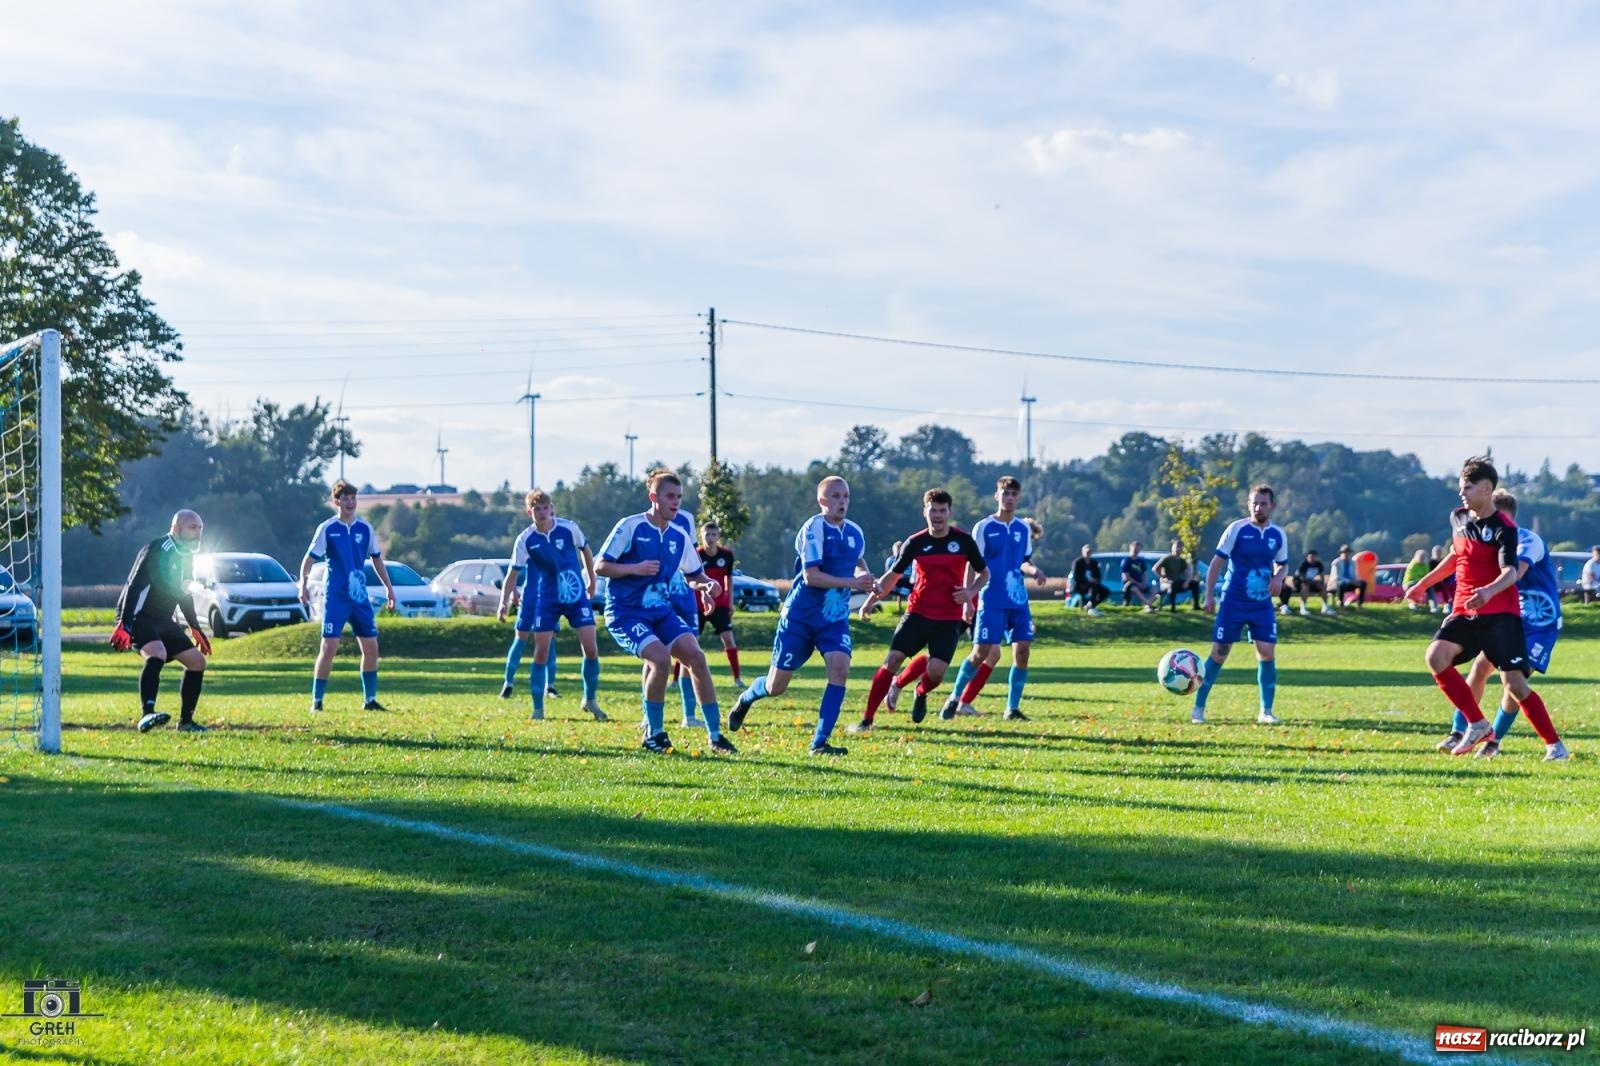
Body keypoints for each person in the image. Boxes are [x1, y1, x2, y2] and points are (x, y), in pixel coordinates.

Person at [1405, 461, 1568, 760]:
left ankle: (1553, 745)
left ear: (1487, 491)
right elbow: (1456, 557)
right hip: (1470, 610)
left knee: (1514, 684)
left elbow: (1512, 572)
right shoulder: (1459, 520)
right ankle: (1473, 726)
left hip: (1516, 617)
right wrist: (1422, 584)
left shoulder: (1512, 533)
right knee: (1442, 658)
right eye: (1461, 487)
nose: (1462, 493)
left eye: (1468, 487)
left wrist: (1489, 590)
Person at [727, 476, 876, 754]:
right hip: (800, 617)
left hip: (833, 618)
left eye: (845, 496)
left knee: (840, 669)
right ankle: (747, 697)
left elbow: (857, 562)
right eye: (834, 496)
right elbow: (811, 577)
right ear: (822, 501)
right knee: (776, 685)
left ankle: (819, 743)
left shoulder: (855, 532)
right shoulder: (814, 528)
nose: (841, 501)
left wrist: (865, 577)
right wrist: (853, 584)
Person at [595, 469, 733, 754]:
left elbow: (694, 574)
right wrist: (634, 568)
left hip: (660, 611)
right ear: (654, 497)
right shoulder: (631, 526)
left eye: (680, 497)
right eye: (670, 496)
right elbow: (601, 566)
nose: (676, 502)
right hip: (626, 613)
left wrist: (707, 587)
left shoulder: (680, 535)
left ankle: (716, 735)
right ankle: (654, 733)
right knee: (660, 659)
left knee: (696, 656)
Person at [847, 488, 987, 733]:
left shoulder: (963, 541)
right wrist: (870, 601)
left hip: (948, 618)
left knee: (936, 673)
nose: (938, 515)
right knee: (892, 660)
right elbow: (893, 575)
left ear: (949, 512)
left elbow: (984, 573)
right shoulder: (916, 542)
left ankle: (920, 691)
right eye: (933, 510)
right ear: (925, 512)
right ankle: (867, 720)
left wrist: (970, 593)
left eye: (942, 511)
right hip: (917, 613)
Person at [1440, 490, 1564, 759]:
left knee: (1513, 682)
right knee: (1480, 667)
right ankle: (1459, 732)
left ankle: (1499, 740)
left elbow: (1515, 573)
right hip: (1507, 616)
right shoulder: (1482, 535)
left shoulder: (1527, 541)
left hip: (1539, 624)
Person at [494, 490, 607, 722]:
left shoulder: (568, 528)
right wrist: (503, 603)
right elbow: (512, 573)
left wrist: (592, 581)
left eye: (546, 508)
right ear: (529, 512)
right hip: (547, 599)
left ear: (551, 508)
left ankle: (590, 699)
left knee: (591, 648)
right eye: (537, 509)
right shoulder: (525, 540)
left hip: (575, 594)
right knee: (541, 651)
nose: (543, 513)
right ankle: (538, 709)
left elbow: (585, 549)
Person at [942, 476, 1047, 721]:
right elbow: (973, 563)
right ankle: (955, 698)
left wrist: (1034, 571)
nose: (1009, 498)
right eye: (1005, 493)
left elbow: (1024, 561)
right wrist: (969, 597)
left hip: (1018, 600)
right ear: (996, 495)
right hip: (991, 599)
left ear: (1018, 498)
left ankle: (1011, 708)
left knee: (1022, 652)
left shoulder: (1022, 528)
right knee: (981, 653)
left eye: (1013, 494)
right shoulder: (984, 527)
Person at [1192, 485, 1288, 725]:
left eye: (1263, 503)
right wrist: (1209, 596)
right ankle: (1198, 709)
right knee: (1219, 653)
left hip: (1261, 605)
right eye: (1254, 503)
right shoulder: (1237, 529)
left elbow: (1283, 564)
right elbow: (1216, 564)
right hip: (1233, 601)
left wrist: (1278, 577)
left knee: (1266, 652)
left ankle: (1266, 711)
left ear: (1272, 506)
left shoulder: (1278, 534)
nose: (1258, 507)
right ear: (1248, 505)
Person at [111, 509, 212, 733]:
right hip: (139, 616)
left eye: (200, 528)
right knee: (158, 653)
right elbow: (134, 586)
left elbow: (183, 593)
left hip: (163, 619)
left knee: (197, 662)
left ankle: (186, 722)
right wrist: (125, 624)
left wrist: (195, 627)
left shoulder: (187, 555)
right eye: (192, 528)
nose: (198, 533)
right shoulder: (157, 549)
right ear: (176, 529)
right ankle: (147, 715)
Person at [299, 480, 396, 713]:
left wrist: (389, 589)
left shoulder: (365, 529)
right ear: (337, 502)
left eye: (353, 498)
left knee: (371, 648)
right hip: (336, 597)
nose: (350, 503)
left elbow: (376, 559)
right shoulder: (328, 528)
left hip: (359, 597)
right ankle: (317, 701)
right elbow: (309, 559)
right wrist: (302, 586)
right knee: (329, 647)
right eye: (345, 499)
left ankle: (370, 700)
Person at [697, 522, 744, 688]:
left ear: (718, 536)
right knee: (688, 643)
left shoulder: (727, 555)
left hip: (720, 605)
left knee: (729, 640)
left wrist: (730, 602)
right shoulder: (696, 555)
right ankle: (675, 681)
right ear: (701, 536)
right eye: (707, 535)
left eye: (713, 535)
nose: (710, 538)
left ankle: (737, 679)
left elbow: (728, 580)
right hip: (698, 605)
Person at [1280, 550, 1333, 616]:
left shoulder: (1319, 564)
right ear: (1307, 557)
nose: (1312, 558)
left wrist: (1320, 582)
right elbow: (1301, 578)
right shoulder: (1303, 564)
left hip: (1312, 583)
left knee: (1323, 586)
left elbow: (1322, 575)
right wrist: (1311, 582)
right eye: (1310, 557)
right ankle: (1303, 608)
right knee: (1305, 587)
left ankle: (1325, 607)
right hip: (1299, 583)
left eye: (1314, 557)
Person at [1156, 541, 1201, 613]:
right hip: (1166, 584)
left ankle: (1196, 606)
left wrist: (1187, 581)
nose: (1178, 549)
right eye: (1177, 547)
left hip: (1177, 583)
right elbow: (1155, 568)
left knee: (1194, 583)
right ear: (1172, 548)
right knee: (1172, 585)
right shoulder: (1167, 559)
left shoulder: (1181, 561)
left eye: (1180, 547)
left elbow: (1188, 573)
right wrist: (1162, 577)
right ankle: (1173, 608)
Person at [1070, 544, 1110, 615]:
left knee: (1105, 591)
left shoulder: (1094, 563)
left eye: (1090, 552)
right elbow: (1076, 576)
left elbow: (1098, 575)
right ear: (1083, 552)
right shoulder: (1077, 562)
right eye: (1087, 552)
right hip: (1080, 585)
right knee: (1093, 588)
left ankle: (1091, 605)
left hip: (1093, 584)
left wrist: (1096, 580)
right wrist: (1087, 581)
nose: (1088, 553)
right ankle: (1091, 609)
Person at [1120, 541, 1158, 611]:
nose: (1136, 551)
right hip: (1130, 585)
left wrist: (1144, 583)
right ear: (1130, 548)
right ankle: (1148, 604)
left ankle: (1147, 605)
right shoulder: (1126, 561)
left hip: (1141, 583)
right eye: (1135, 549)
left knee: (1154, 588)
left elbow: (1144, 574)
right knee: (1134, 589)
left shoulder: (1141, 561)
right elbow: (1126, 576)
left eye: (1138, 549)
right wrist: (1139, 584)